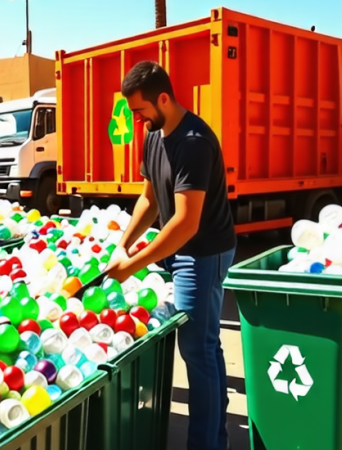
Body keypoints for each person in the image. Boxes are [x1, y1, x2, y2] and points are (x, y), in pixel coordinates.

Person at [106, 61, 236, 450]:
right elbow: (149, 199)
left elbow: (185, 223)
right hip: (183, 249)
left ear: (164, 98)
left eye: (139, 109)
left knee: (197, 349)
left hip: (202, 252)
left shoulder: (194, 141)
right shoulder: (155, 133)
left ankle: (206, 444)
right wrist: (123, 243)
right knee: (206, 346)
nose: (136, 117)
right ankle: (216, 438)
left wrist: (133, 264)